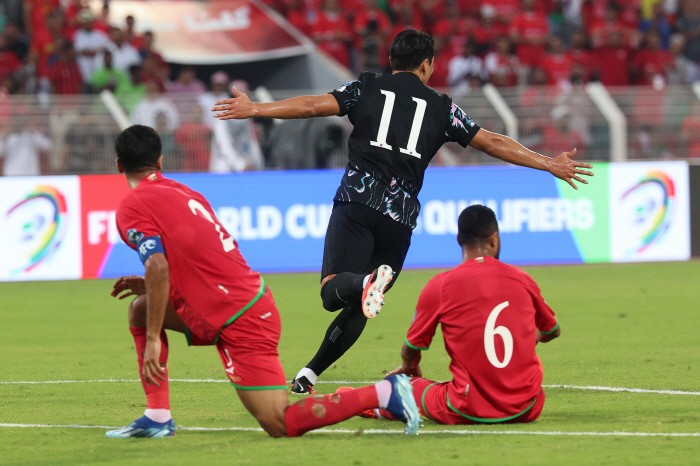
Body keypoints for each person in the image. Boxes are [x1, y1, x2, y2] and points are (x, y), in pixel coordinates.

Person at [210, 29, 592, 395]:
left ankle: (359, 288)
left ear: (392, 61)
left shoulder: (366, 87)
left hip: (359, 202)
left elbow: (313, 105)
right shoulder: (444, 108)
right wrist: (548, 164)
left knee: (333, 294)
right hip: (400, 218)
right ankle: (310, 373)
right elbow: (491, 141)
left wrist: (255, 108)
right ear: (426, 66)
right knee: (367, 297)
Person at [105, 125, 421, 438]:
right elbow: (198, 256)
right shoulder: (184, 192)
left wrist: (152, 341)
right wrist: (154, 284)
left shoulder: (132, 207)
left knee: (280, 423)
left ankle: (382, 393)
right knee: (142, 308)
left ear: (119, 164)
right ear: (160, 161)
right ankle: (157, 416)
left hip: (240, 317)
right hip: (237, 302)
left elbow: (158, 265)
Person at [349, 205, 560, 425]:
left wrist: (410, 370)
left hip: (468, 408)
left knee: (403, 386)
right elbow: (552, 330)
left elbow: (411, 349)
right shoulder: (523, 279)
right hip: (528, 407)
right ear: (494, 239)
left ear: (459, 240)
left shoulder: (440, 285)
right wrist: (525, 337)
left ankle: (372, 406)